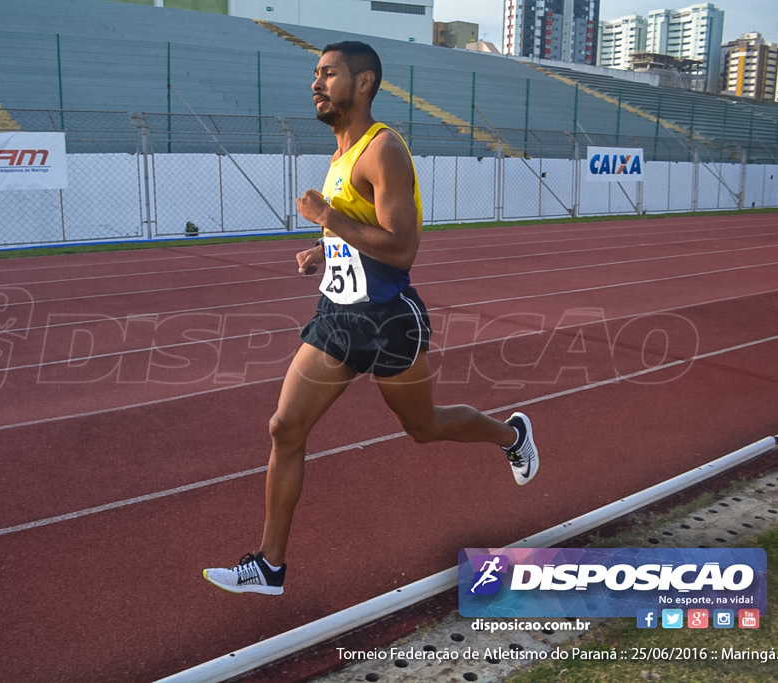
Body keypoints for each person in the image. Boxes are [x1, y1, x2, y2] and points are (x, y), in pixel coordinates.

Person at [203, 41, 539, 596]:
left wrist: (327, 216)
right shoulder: (339, 154)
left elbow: (402, 248)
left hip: (388, 321)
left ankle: (512, 435)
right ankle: (270, 566)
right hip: (337, 318)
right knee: (285, 427)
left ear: (362, 84)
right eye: (315, 73)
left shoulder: (384, 151)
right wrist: (323, 248)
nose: (316, 83)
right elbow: (355, 231)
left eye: (328, 73)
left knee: (423, 428)